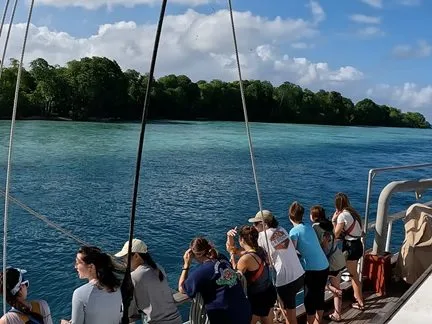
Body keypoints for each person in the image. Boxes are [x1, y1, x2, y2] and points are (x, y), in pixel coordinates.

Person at [248, 210, 304, 324]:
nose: (253, 226)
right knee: (290, 309)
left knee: (288, 315)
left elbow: (258, 255)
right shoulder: (281, 230)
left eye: (256, 223)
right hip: (299, 274)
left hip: (285, 280)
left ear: (264, 223)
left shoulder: (262, 235)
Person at [178, 237, 251, 324]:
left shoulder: (202, 272)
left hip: (226, 317)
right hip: (243, 310)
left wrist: (186, 265)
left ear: (195, 254)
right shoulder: (222, 258)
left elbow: (182, 288)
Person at [115, 238, 182, 324]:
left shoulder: (134, 277)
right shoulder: (158, 268)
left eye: (125, 257)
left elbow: (130, 311)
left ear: (136, 256)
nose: (124, 261)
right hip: (177, 320)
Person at [226, 225, 277, 324]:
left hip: (257, 298)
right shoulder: (259, 250)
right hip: (268, 292)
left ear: (242, 240)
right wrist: (230, 237)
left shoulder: (246, 258)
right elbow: (231, 249)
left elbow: (235, 277)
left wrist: (232, 259)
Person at [288, 202, 329, 324]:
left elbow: (293, 252)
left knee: (309, 299)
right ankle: (318, 322)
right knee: (320, 295)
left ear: (290, 217)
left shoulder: (294, 232)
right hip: (324, 265)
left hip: (312, 269)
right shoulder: (308, 227)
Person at [60, 246, 123, 324]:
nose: (75, 266)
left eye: (78, 262)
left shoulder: (79, 294)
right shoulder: (117, 288)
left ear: (91, 266)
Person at [310, 205, 346, 322]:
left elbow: (321, 245)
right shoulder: (329, 224)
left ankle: (334, 291)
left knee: (319, 286)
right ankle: (337, 313)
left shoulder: (315, 227)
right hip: (338, 257)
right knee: (336, 285)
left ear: (313, 216)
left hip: (330, 261)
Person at [332, 192, 365, 311]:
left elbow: (335, 234)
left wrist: (333, 220)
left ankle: (360, 301)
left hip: (350, 247)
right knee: (354, 274)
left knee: (353, 275)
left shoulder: (342, 216)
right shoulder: (354, 213)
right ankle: (357, 298)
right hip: (358, 245)